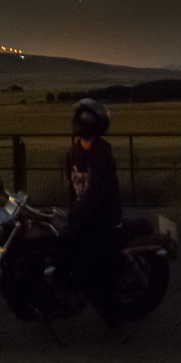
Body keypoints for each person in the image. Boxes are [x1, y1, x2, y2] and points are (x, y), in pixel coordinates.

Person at [61, 97, 125, 338]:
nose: (80, 121)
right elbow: (72, 189)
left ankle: (115, 322)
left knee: (88, 272)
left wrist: (74, 216)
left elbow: (98, 192)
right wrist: (69, 214)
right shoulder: (73, 152)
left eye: (86, 117)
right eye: (79, 116)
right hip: (83, 218)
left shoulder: (101, 154)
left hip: (103, 220)